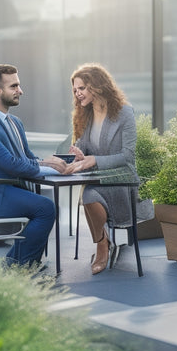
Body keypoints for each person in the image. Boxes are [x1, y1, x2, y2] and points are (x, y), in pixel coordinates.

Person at [0, 64, 68, 267]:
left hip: (9, 191)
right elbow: (11, 164)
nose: (20, 91)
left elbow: (27, 157)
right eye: (14, 86)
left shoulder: (15, 123)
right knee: (45, 208)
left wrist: (58, 166)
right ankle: (22, 265)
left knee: (49, 206)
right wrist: (49, 165)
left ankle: (15, 263)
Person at [65, 63, 154, 275]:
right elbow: (84, 146)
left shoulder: (125, 113)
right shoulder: (85, 115)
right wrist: (77, 152)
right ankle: (102, 243)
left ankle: (102, 245)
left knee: (88, 194)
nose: (78, 94)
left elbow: (127, 156)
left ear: (97, 86)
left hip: (120, 181)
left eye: (82, 88)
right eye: (75, 90)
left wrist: (94, 160)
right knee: (88, 193)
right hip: (96, 179)